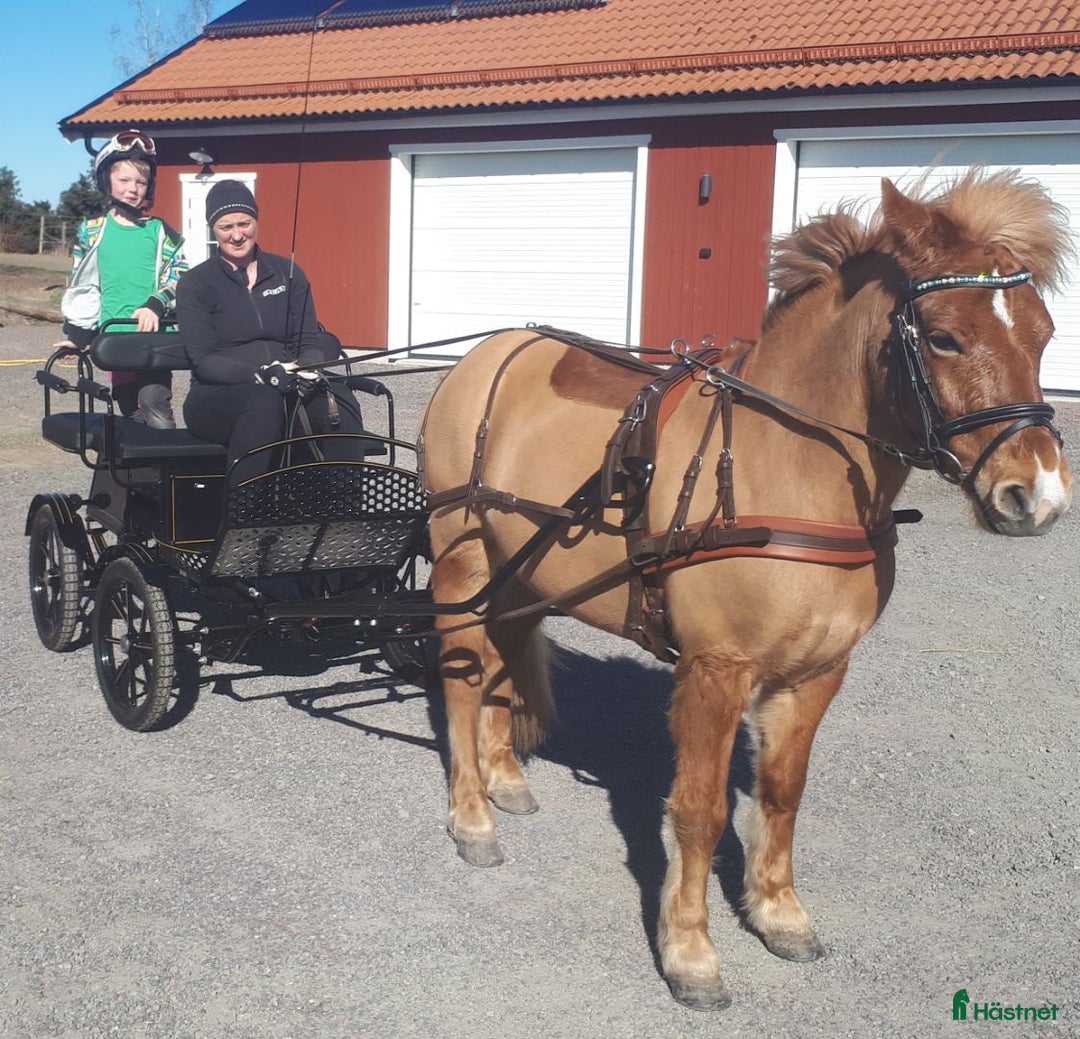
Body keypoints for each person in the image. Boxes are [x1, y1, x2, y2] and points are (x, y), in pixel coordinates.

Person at [176, 179, 368, 483]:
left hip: (286, 383)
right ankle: (242, 516)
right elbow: (205, 359)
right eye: (226, 227)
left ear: (256, 221)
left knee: (339, 400)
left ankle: (344, 510)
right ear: (213, 229)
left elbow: (306, 340)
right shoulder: (196, 284)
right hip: (216, 395)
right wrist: (260, 374)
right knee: (263, 402)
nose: (237, 235)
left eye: (244, 223)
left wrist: (307, 370)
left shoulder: (288, 274)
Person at [57, 129, 186, 427]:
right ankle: (141, 473)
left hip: (153, 340)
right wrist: (77, 337)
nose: (133, 188)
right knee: (129, 410)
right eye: (124, 180)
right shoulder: (92, 230)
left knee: (155, 405)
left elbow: (181, 274)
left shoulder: (161, 231)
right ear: (107, 180)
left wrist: (156, 303)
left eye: (141, 182)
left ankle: (167, 468)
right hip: (114, 337)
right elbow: (83, 285)